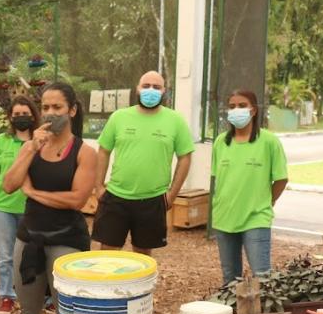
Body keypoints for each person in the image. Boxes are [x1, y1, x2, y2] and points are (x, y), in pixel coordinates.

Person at [3, 82, 96, 314]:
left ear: (72, 110)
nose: (51, 113)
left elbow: (77, 200)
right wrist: (30, 149)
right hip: (30, 238)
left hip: (66, 238)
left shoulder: (84, 152)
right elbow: (9, 185)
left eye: (58, 107)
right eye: (45, 107)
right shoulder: (30, 147)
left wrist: (33, 193)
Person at [93, 70, 194, 255]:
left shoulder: (175, 120)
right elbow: (103, 151)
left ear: (164, 91)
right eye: (146, 86)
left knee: (142, 255)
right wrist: (98, 187)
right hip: (116, 196)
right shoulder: (119, 117)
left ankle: (138, 285)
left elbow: (185, 157)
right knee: (107, 253)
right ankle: (110, 285)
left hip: (153, 199)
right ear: (137, 89)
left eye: (156, 87)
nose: (151, 90)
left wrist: (172, 195)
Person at [211, 89, 288, 284]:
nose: (236, 110)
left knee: (262, 277)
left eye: (242, 105)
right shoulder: (221, 142)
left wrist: (267, 201)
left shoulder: (269, 141)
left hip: (256, 218)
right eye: (232, 106)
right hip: (224, 218)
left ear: (253, 110)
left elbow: (281, 179)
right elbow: (217, 179)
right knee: (230, 278)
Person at [0, 95, 38, 314]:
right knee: (5, 254)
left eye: (25, 114)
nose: (21, 118)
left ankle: (35, 295)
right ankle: (7, 296)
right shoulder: (1, 142)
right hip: (1, 207)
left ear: (33, 115)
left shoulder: (40, 141)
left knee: (30, 253)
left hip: (30, 207)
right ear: (10, 118)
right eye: (17, 115)